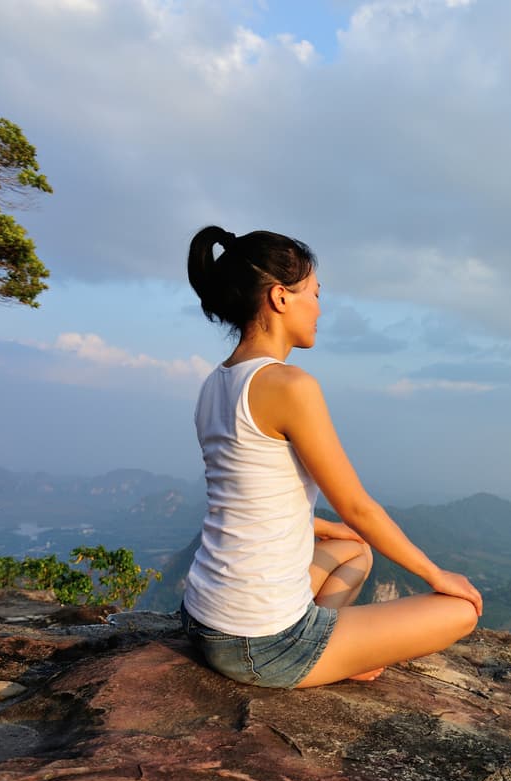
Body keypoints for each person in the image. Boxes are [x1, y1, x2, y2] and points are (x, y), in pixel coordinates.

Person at [180, 225, 481, 688]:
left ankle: (329, 648)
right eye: (314, 294)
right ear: (281, 297)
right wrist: (435, 574)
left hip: (203, 616)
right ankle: (323, 654)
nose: (320, 309)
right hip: (258, 643)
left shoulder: (215, 383)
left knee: (353, 549)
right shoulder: (290, 386)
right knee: (461, 611)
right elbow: (357, 506)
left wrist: (322, 528)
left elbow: (243, 497)